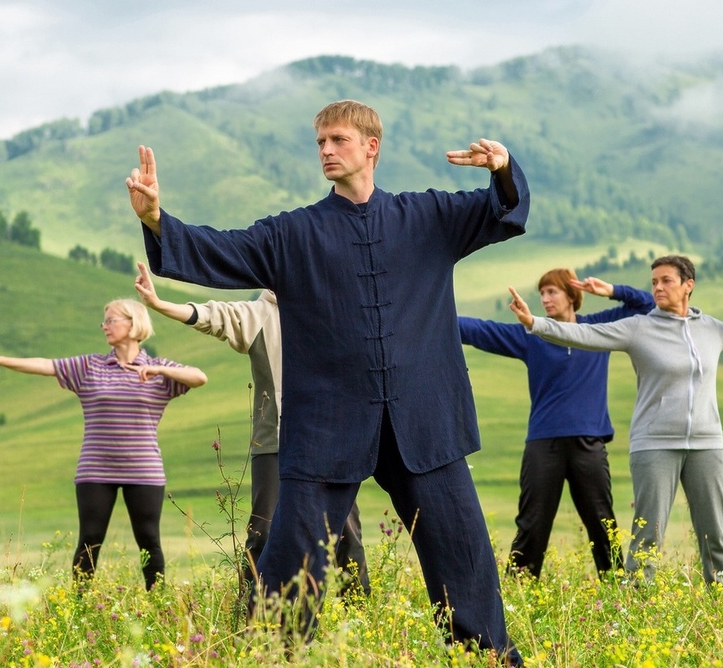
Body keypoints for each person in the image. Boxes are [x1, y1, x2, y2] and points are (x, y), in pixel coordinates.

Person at [127, 100, 528, 664]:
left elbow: (503, 213)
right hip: (327, 428)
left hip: (427, 424)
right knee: (293, 558)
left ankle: (487, 658)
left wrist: (503, 169)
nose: (325, 151)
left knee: (463, 555)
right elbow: (224, 250)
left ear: (371, 147)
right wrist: (156, 221)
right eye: (319, 143)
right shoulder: (294, 234)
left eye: (337, 140)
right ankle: (281, 656)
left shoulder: (429, 218)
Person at [507, 255, 723, 594]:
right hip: (654, 444)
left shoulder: (710, 328)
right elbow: (584, 334)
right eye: (653, 281)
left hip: (707, 443)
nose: (657, 287)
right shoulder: (639, 327)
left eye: (666, 280)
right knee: (648, 534)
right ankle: (636, 604)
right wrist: (534, 323)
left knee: (715, 531)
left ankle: (722, 598)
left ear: (688, 285)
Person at [133, 262, 370, 594]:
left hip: (332, 439)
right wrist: (159, 305)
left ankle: (359, 614)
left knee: (346, 534)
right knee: (264, 531)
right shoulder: (259, 313)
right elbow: (208, 315)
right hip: (276, 441)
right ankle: (252, 614)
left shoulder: (331, 304)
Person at [0, 298, 207, 591]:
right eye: (104, 321)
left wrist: (160, 371)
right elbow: (46, 365)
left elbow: (199, 377)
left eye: (111, 320)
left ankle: (158, 603)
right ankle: (81, 607)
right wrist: (0, 359)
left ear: (133, 324)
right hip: (95, 469)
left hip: (144, 469)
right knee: (90, 539)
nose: (105, 327)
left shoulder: (159, 370)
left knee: (149, 539)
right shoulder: (89, 366)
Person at [459, 270, 653, 579]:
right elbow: (479, 330)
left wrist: (613, 290)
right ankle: (519, 593)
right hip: (543, 443)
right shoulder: (532, 334)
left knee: (602, 523)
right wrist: (433, 314)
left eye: (552, 292)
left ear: (572, 295)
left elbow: (649, 306)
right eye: (543, 293)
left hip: (588, 443)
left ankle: (618, 592)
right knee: (532, 523)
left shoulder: (600, 328)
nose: (546, 299)